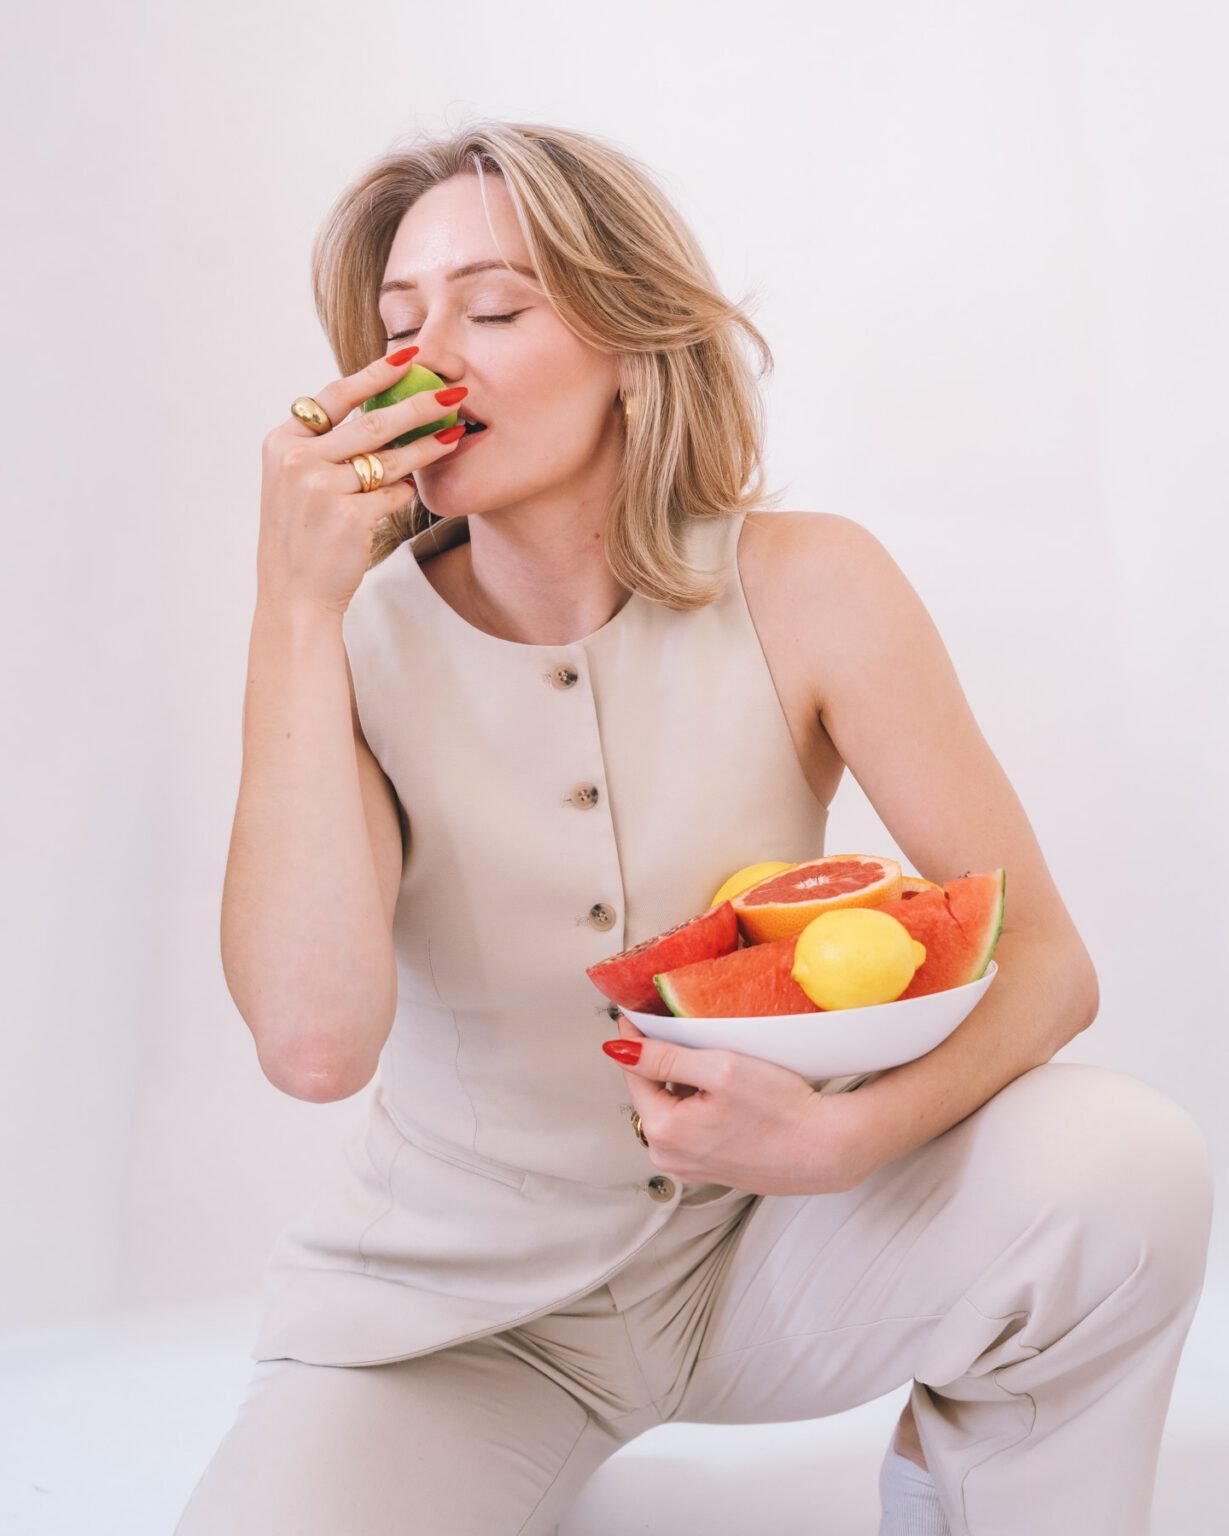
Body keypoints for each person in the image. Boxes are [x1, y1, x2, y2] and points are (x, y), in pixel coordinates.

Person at [179, 121, 1213, 1536]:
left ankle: (969, 1489)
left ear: (630, 341)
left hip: (779, 1257)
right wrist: (291, 611)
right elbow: (313, 1048)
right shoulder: (348, 644)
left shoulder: (811, 584)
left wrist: (848, 1140)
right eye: (400, 325)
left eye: (494, 311)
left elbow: (1046, 964)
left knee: (1123, 1162)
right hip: (455, 1326)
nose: (431, 363)